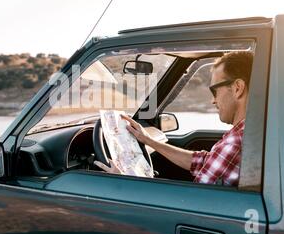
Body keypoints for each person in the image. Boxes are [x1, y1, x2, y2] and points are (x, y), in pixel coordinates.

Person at [94, 51, 254, 186]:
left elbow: (193, 202)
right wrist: (149, 141)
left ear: (237, 88)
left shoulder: (236, 144)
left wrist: (129, 182)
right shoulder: (246, 133)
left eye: (214, 91)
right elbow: (203, 162)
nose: (213, 100)